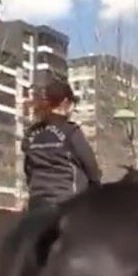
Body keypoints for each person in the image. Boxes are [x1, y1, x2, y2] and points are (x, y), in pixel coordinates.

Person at [22, 81, 102, 209]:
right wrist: (96, 185)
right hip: (69, 204)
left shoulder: (31, 134)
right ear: (65, 103)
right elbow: (90, 166)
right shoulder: (71, 131)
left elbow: (28, 170)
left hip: (37, 204)